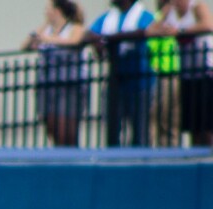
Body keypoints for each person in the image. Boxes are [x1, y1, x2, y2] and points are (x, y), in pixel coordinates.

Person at [85, 0, 157, 147]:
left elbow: (145, 31)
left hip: (139, 81)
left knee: (139, 129)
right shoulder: (109, 16)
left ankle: (139, 160)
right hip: (116, 81)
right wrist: (99, 42)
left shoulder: (143, 15)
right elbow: (90, 33)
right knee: (113, 127)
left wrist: (111, 38)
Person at [23, 0, 88, 146]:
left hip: (69, 84)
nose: (46, 12)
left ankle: (70, 155)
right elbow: (26, 45)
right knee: (50, 123)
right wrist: (45, 26)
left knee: (66, 127)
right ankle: (60, 149)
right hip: (47, 84)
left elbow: (75, 41)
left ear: (58, 11)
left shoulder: (74, 28)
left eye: (49, 9)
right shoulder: (46, 30)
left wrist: (48, 39)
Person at [149, 0, 213, 146]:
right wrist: (164, 13)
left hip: (205, 71)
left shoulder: (196, 6)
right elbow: (151, 30)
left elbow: (208, 25)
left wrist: (180, 32)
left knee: (207, 123)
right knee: (193, 124)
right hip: (186, 74)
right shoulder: (170, 11)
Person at [146, 0, 182, 147]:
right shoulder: (155, 19)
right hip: (158, 74)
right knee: (155, 116)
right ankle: (154, 148)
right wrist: (163, 14)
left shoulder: (176, 21)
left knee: (170, 117)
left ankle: (170, 148)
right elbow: (149, 33)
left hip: (172, 74)